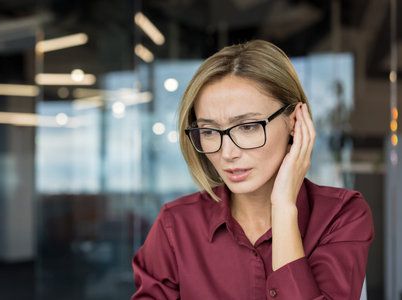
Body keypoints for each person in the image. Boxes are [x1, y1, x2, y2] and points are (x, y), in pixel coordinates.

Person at [131, 40, 374, 299]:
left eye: (247, 127)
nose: (228, 153)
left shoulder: (341, 216)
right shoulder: (175, 226)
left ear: (295, 121)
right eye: (210, 131)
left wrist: (283, 208)